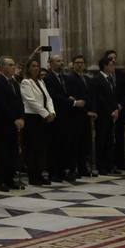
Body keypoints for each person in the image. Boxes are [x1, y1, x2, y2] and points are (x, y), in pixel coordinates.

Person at [19, 57, 56, 185]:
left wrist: (52, 112)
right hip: (32, 118)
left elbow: (48, 98)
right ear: (28, 69)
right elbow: (31, 101)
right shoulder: (26, 82)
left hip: (42, 118)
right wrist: (46, 114)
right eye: (33, 66)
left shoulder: (41, 81)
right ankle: (33, 176)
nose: (36, 68)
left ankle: (40, 174)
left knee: (41, 148)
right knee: (32, 148)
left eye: (37, 66)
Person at [0, 56, 25, 189]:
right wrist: (14, 119)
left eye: (13, 65)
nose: (13, 67)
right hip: (3, 124)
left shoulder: (15, 82)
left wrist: (21, 117)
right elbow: (1, 105)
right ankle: (1, 181)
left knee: (13, 153)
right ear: (2, 67)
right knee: (2, 153)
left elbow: (19, 103)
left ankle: (10, 179)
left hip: (14, 124)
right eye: (10, 65)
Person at [42, 54, 77, 183]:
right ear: (50, 63)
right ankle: (54, 172)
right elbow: (53, 96)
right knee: (54, 146)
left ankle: (63, 171)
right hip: (55, 117)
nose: (61, 63)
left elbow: (67, 93)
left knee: (64, 146)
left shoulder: (64, 77)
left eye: (62, 60)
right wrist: (69, 101)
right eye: (58, 61)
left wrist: (71, 98)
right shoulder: (48, 78)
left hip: (66, 117)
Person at [88, 54, 121, 176]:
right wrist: (109, 110)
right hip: (102, 115)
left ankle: (108, 165)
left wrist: (116, 109)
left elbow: (112, 97)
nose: (114, 66)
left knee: (109, 141)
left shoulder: (110, 78)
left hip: (112, 115)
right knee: (101, 141)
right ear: (105, 66)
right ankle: (101, 166)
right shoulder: (96, 80)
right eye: (111, 64)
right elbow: (98, 99)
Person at [66, 55, 96, 176]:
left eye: (82, 62)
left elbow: (90, 97)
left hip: (86, 116)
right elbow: (73, 97)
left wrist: (92, 110)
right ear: (73, 64)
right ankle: (74, 169)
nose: (79, 64)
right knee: (75, 144)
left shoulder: (87, 79)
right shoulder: (70, 78)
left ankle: (83, 168)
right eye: (77, 62)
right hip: (75, 116)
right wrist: (85, 111)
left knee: (85, 143)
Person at [103, 50, 125, 171]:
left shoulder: (121, 74)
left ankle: (121, 162)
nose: (113, 60)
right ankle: (109, 163)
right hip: (108, 112)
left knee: (120, 138)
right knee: (108, 139)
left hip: (120, 111)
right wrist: (112, 107)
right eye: (110, 58)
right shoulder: (103, 75)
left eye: (115, 58)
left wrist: (120, 105)